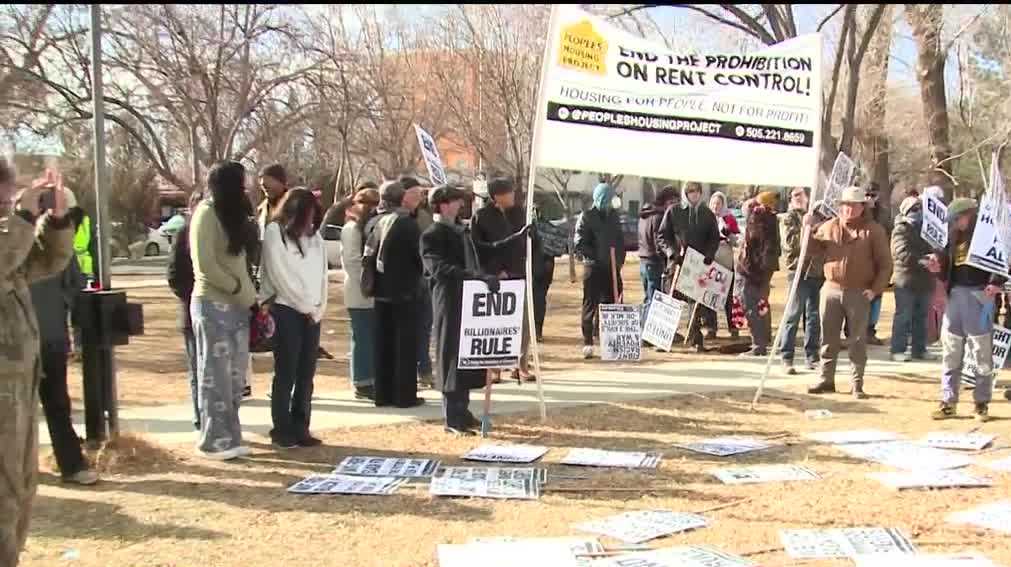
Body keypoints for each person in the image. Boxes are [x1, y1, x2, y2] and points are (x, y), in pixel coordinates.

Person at [1, 162, 75, 567]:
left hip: (18, 383)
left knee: (21, 488)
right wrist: (24, 217)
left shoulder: (10, 240)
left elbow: (44, 263)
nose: (6, 209)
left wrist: (56, 220)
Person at [189, 161, 259, 460]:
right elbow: (204, 265)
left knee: (234, 378)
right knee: (214, 375)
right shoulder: (205, 214)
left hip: (239, 306)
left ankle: (231, 435)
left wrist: (247, 295)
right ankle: (213, 440)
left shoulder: (234, 215)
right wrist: (234, 288)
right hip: (212, 304)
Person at [420, 185, 502, 435]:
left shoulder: (461, 231)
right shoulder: (432, 234)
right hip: (448, 299)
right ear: (443, 205)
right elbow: (438, 268)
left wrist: (517, 238)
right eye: (456, 201)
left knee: (466, 354)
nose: (461, 205)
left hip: (468, 298)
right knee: (450, 354)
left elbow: (484, 249)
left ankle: (463, 410)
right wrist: (473, 276)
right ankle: (451, 416)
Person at [804, 187, 892, 399]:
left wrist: (875, 290)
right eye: (844, 204)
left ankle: (857, 384)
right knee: (828, 338)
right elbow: (810, 250)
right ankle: (826, 378)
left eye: (853, 205)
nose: (848, 209)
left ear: (862, 207)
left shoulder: (874, 231)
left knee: (857, 340)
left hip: (859, 292)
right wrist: (806, 229)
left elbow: (886, 265)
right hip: (831, 289)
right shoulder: (829, 227)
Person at [30, 222, 98, 486]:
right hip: (24, 342)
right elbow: (77, 287)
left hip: (46, 338)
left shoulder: (57, 250)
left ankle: (70, 464)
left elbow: (76, 286)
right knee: (49, 406)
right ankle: (66, 465)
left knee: (54, 404)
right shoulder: (15, 244)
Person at [260, 188, 328, 448]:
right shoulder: (274, 233)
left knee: (306, 373)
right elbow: (280, 275)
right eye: (307, 214)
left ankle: (302, 426)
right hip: (286, 308)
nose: (311, 220)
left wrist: (318, 309)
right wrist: (304, 306)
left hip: (313, 312)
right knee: (286, 371)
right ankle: (282, 429)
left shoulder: (316, 238)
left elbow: (322, 275)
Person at [931, 198, 1004, 421]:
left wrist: (996, 282)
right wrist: (936, 266)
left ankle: (981, 403)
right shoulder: (952, 238)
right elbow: (945, 266)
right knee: (951, 351)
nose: (957, 223)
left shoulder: (990, 236)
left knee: (982, 352)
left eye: (959, 218)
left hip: (981, 297)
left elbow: (1001, 261)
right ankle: (948, 401)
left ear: (970, 216)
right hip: (956, 297)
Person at [365, 180, 426, 408]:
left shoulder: (372, 221)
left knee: (382, 343)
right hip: (405, 291)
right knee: (405, 345)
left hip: (379, 291)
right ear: (402, 199)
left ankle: (383, 393)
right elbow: (418, 257)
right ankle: (404, 395)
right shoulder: (406, 223)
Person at [471, 178, 535, 379]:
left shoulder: (520, 214)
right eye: (509, 192)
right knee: (497, 323)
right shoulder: (481, 216)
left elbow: (529, 244)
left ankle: (521, 366)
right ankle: (495, 368)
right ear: (497, 196)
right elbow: (478, 248)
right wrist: (494, 270)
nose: (513, 196)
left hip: (519, 273)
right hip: (495, 277)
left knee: (523, 321)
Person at [657, 181, 720, 352]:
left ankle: (695, 339)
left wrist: (709, 255)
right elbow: (662, 236)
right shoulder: (674, 211)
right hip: (677, 263)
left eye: (697, 191)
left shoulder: (707, 214)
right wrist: (671, 253)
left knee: (695, 303)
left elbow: (714, 238)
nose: (694, 194)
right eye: (690, 191)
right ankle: (663, 338)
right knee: (670, 301)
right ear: (685, 193)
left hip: (697, 264)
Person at [574, 183, 626, 359]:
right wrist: (597, 256)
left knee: (611, 303)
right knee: (590, 304)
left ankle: (610, 342)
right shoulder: (587, 216)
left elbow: (620, 241)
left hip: (611, 268)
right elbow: (579, 243)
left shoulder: (614, 217)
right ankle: (588, 342)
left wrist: (618, 261)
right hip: (593, 268)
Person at [167, 190, 204, 430]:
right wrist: (192, 298)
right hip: (193, 314)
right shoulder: (184, 235)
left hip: (220, 316)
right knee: (198, 369)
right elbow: (173, 275)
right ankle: (201, 417)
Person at [780, 187, 825, 374]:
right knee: (793, 314)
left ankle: (812, 356)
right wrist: (805, 227)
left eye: (801, 194)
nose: (798, 198)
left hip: (816, 271)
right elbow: (790, 244)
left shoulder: (818, 215)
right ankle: (787, 356)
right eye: (794, 195)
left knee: (814, 316)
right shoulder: (788, 218)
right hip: (797, 270)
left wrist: (817, 225)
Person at [341, 187, 381, 401]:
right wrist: (369, 285)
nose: (371, 209)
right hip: (359, 292)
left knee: (372, 338)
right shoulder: (351, 229)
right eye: (367, 204)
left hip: (374, 293)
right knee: (362, 337)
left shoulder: (371, 227)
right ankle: (362, 382)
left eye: (375, 204)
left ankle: (372, 378)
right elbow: (353, 262)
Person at [889, 196, 935, 362]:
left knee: (921, 318)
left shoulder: (929, 229)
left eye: (920, 209)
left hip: (925, 281)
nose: (918, 212)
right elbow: (900, 252)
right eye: (914, 209)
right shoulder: (901, 229)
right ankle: (897, 350)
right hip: (905, 281)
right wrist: (920, 260)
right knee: (904, 316)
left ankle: (919, 349)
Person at [400, 176, 435, 388]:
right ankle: (407, 372)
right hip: (403, 284)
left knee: (424, 329)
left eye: (420, 194)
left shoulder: (424, 217)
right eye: (414, 193)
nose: (419, 198)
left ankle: (424, 370)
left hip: (425, 282)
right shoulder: (395, 218)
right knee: (406, 331)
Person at [736, 200, 779, 357]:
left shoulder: (756, 223)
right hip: (762, 272)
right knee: (762, 307)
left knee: (752, 307)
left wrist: (748, 269)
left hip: (753, 273)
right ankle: (763, 340)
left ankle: (758, 344)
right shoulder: (771, 222)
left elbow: (751, 249)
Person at [703, 190, 741, 338]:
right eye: (713, 203)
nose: (715, 206)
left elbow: (736, 239)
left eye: (718, 203)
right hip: (711, 259)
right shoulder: (706, 218)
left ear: (723, 204)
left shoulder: (729, 218)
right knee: (710, 294)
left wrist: (728, 233)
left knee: (729, 296)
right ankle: (711, 327)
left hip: (725, 258)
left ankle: (733, 327)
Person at [638, 186, 676, 326]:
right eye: (673, 202)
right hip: (655, 261)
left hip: (643, 260)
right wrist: (666, 260)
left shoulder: (645, 215)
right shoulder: (660, 216)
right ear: (667, 201)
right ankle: (647, 334)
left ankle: (644, 327)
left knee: (648, 297)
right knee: (654, 298)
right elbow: (659, 241)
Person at [257, 163, 289, 235]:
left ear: (281, 182)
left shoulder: (295, 204)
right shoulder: (261, 209)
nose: (263, 184)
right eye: (261, 182)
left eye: (268, 180)